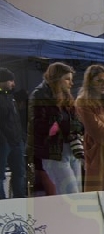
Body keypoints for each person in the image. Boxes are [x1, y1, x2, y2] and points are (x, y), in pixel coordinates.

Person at [28, 62, 83, 195]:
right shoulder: (39, 94)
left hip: (71, 149)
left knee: (76, 194)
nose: (71, 83)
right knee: (71, 193)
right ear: (57, 79)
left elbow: (76, 121)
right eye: (67, 79)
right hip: (53, 152)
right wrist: (56, 127)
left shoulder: (66, 96)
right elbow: (36, 125)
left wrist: (76, 127)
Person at [0, 67, 26, 199]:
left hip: (16, 142)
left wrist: (21, 138)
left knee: (20, 172)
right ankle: (2, 203)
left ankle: (20, 199)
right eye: (11, 80)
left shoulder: (10, 97)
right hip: (4, 143)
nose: (13, 84)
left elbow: (16, 120)